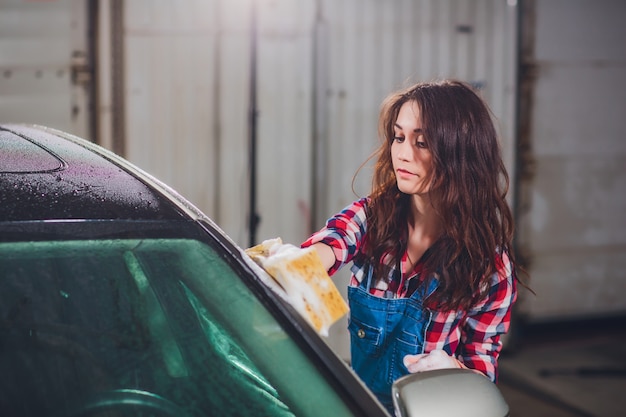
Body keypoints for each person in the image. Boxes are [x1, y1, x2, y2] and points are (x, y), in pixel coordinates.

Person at [301, 79, 520, 413]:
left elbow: (482, 372)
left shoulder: (491, 266)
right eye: (399, 137)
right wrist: (299, 264)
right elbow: (334, 241)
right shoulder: (372, 218)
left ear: (460, 152)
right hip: (362, 405)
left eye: (422, 143)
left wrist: (454, 371)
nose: (403, 154)